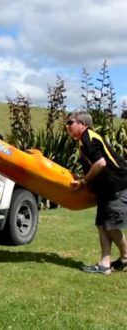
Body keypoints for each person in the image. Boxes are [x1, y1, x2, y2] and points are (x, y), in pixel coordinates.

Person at [66, 110, 127, 274]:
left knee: (111, 226)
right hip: (106, 189)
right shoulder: (83, 140)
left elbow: (100, 163)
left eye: (70, 122)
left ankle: (125, 258)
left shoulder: (88, 138)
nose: (67, 126)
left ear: (83, 124)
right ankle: (104, 264)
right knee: (102, 225)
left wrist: (84, 181)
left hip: (116, 186)